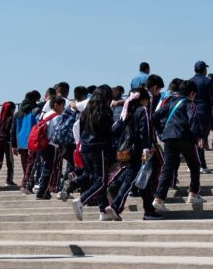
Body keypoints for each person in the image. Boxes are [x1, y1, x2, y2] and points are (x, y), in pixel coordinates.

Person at [152, 80, 205, 214]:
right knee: (195, 164)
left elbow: (155, 116)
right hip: (185, 137)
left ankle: (159, 199)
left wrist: (161, 132)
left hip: (169, 138)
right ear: (192, 93)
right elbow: (193, 119)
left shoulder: (171, 102)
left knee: (168, 168)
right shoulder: (190, 104)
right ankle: (193, 194)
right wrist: (198, 136)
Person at [109, 88, 162, 220]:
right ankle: (116, 206)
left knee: (142, 179)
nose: (148, 103)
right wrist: (146, 148)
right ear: (144, 100)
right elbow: (145, 131)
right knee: (133, 179)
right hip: (139, 151)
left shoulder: (128, 111)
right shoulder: (142, 110)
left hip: (128, 151)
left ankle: (148, 210)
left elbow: (116, 130)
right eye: (147, 101)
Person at [68, 86, 119, 221]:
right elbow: (109, 133)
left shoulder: (86, 111)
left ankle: (103, 210)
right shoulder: (105, 111)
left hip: (85, 148)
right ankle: (81, 201)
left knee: (96, 179)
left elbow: (78, 128)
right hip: (99, 148)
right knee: (101, 182)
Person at [190, 60, 213, 174]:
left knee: (194, 139)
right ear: (204, 70)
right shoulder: (207, 81)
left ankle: (194, 163)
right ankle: (201, 165)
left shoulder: (190, 81)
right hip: (204, 113)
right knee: (201, 139)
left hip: (191, 112)